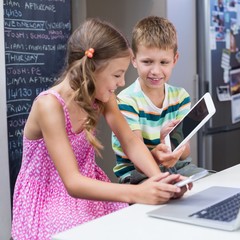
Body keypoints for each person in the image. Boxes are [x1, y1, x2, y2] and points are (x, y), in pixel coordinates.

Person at [11, 18, 190, 240]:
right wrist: (137, 193)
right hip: (48, 199)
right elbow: (73, 183)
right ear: (91, 69)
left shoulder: (103, 98)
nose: (123, 82)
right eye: (117, 75)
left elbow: (131, 141)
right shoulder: (49, 106)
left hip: (90, 188)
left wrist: (161, 182)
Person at [112, 16, 207, 184]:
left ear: (175, 60)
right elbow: (138, 159)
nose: (156, 71)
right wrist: (159, 152)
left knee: (210, 181)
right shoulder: (127, 100)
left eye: (164, 62)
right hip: (137, 174)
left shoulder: (180, 97)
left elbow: (185, 154)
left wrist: (170, 143)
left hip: (177, 166)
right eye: (147, 62)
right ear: (134, 59)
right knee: (171, 195)